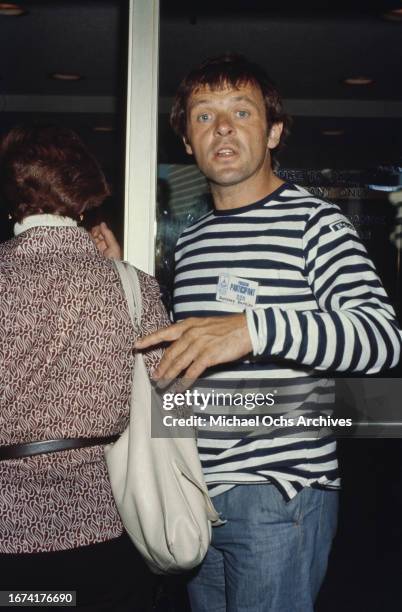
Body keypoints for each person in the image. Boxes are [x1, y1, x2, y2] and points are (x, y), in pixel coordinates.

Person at [92, 55, 402, 612]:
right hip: (196, 491)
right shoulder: (192, 239)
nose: (224, 128)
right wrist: (117, 281)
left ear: (274, 130)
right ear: (187, 140)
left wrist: (253, 329)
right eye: (204, 117)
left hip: (276, 493)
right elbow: (187, 342)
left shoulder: (317, 224)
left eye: (242, 111)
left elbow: (380, 338)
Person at [0, 126, 170, 611]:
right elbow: (163, 400)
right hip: (108, 526)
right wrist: (121, 280)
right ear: (82, 201)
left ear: (13, 197)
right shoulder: (135, 287)